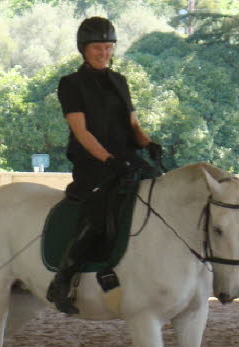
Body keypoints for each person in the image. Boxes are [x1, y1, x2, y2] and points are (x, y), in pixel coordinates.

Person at [46, 16, 163, 315]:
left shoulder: (119, 82)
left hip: (126, 157)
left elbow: (132, 123)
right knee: (100, 206)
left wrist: (147, 143)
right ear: (84, 49)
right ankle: (64, 276)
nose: (104, 53)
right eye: (97, 47)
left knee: (160, 192)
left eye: (108, 47)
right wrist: (108, 160)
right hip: (93, 163)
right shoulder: (71, 85)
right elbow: (81, 132)